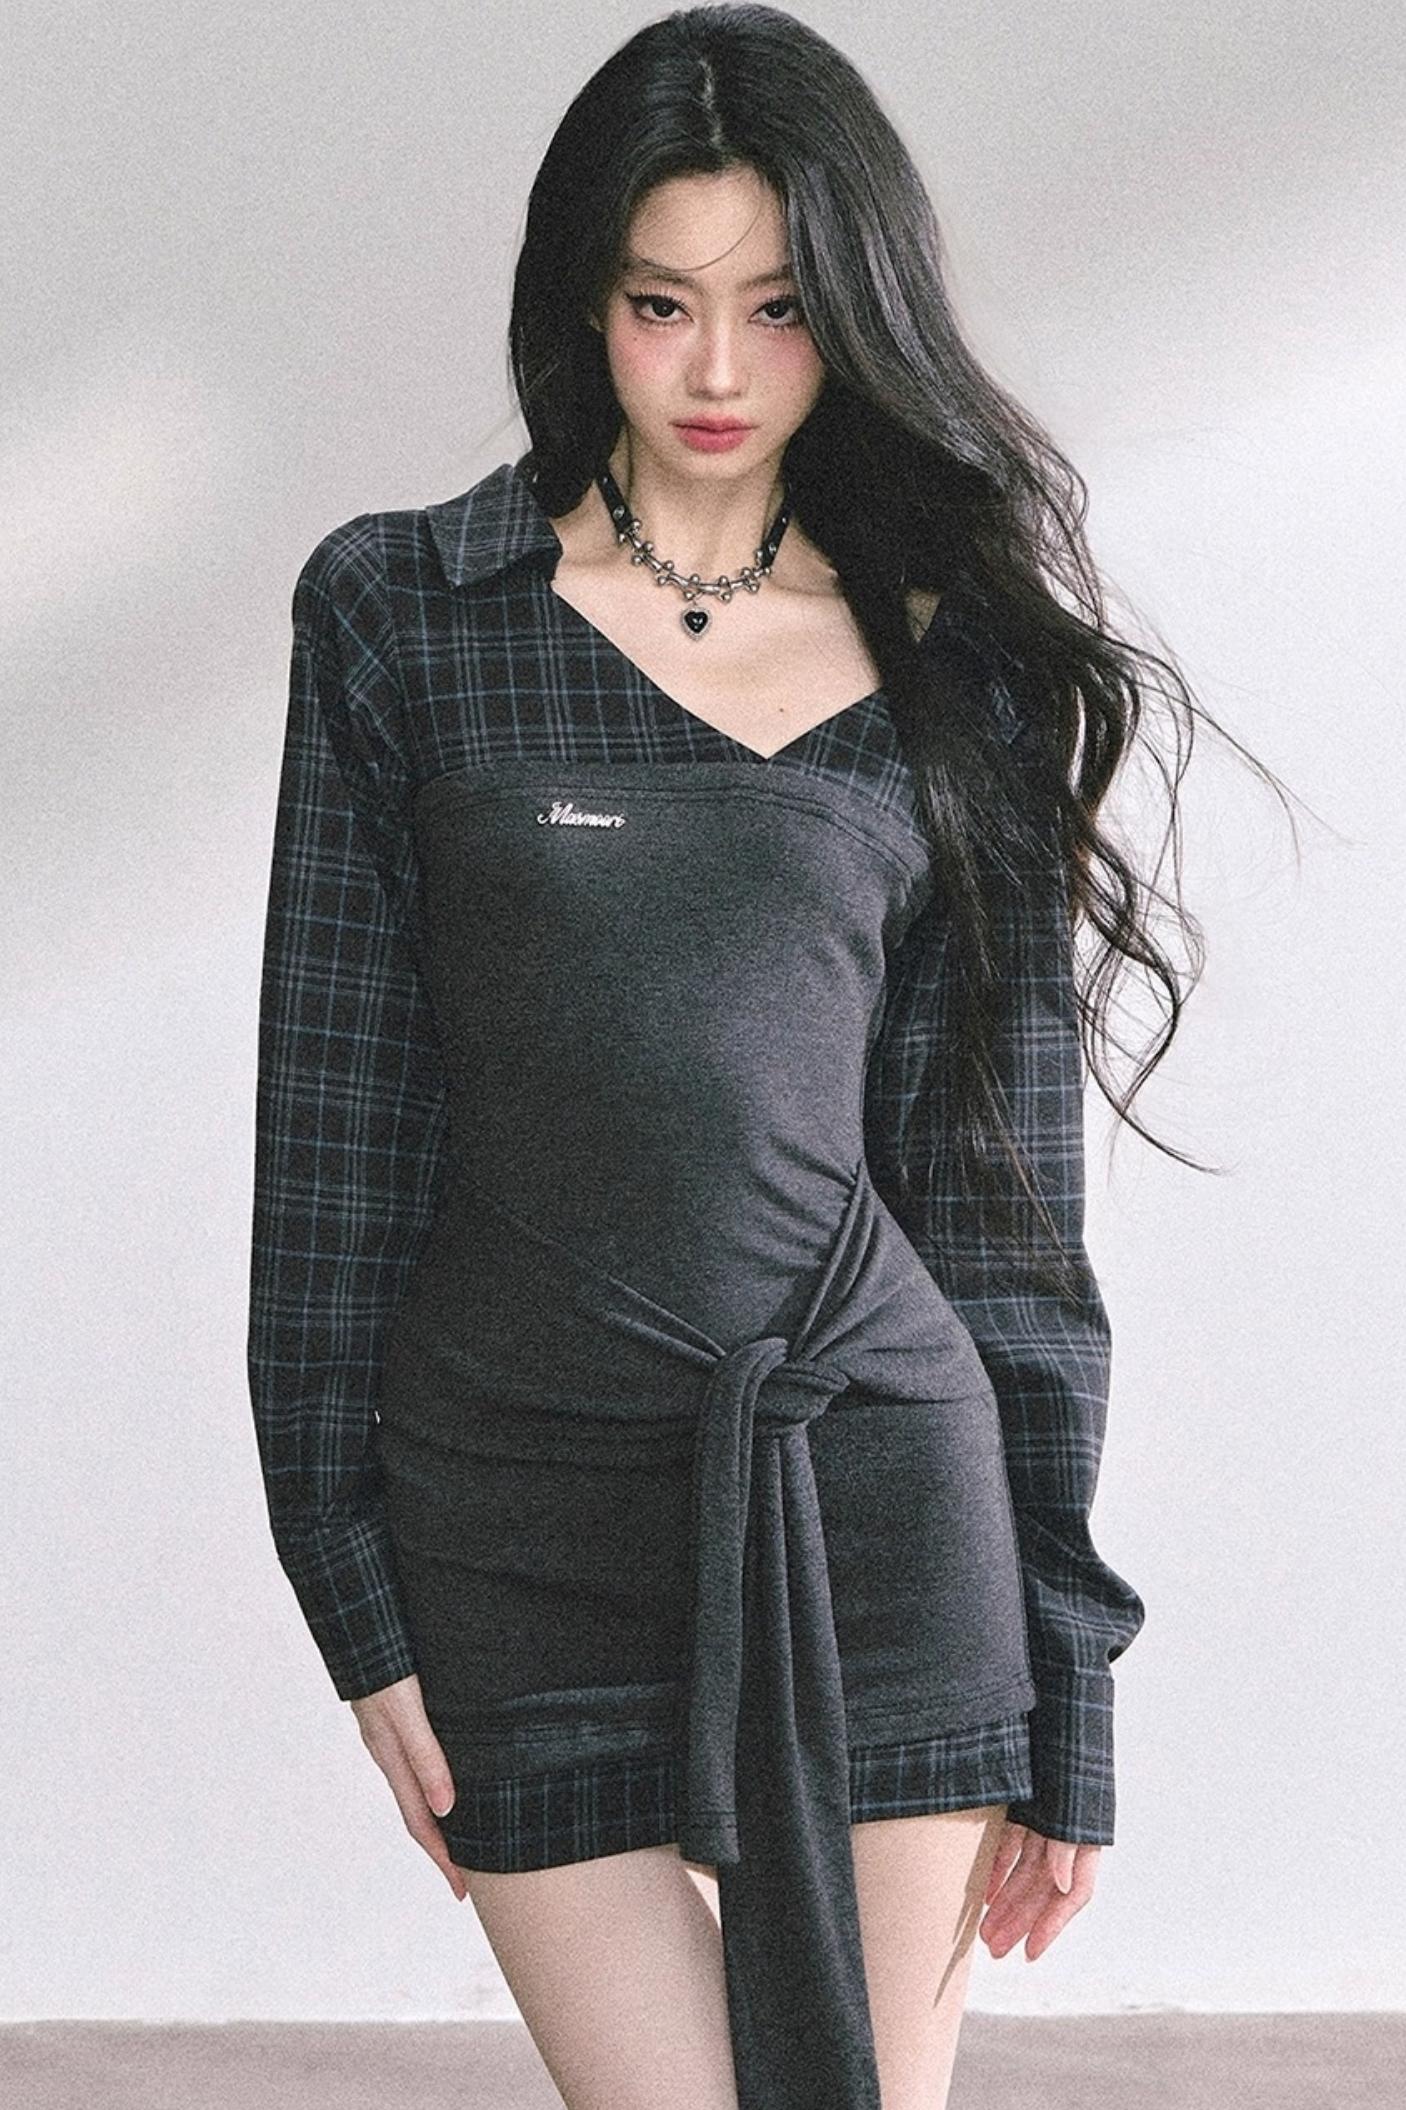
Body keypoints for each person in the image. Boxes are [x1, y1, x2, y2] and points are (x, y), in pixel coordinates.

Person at [246, 9, 1288, 2107]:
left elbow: (996, 1210)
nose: (715, 369)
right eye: (661, 303)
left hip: (873, 1504)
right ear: (584, 303)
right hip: (515, 1523)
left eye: (781, 307)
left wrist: (1067, 1678)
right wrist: (353, 1596)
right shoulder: (405, 612)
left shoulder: (953, 660)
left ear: (860, 308)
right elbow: (336, 1155)